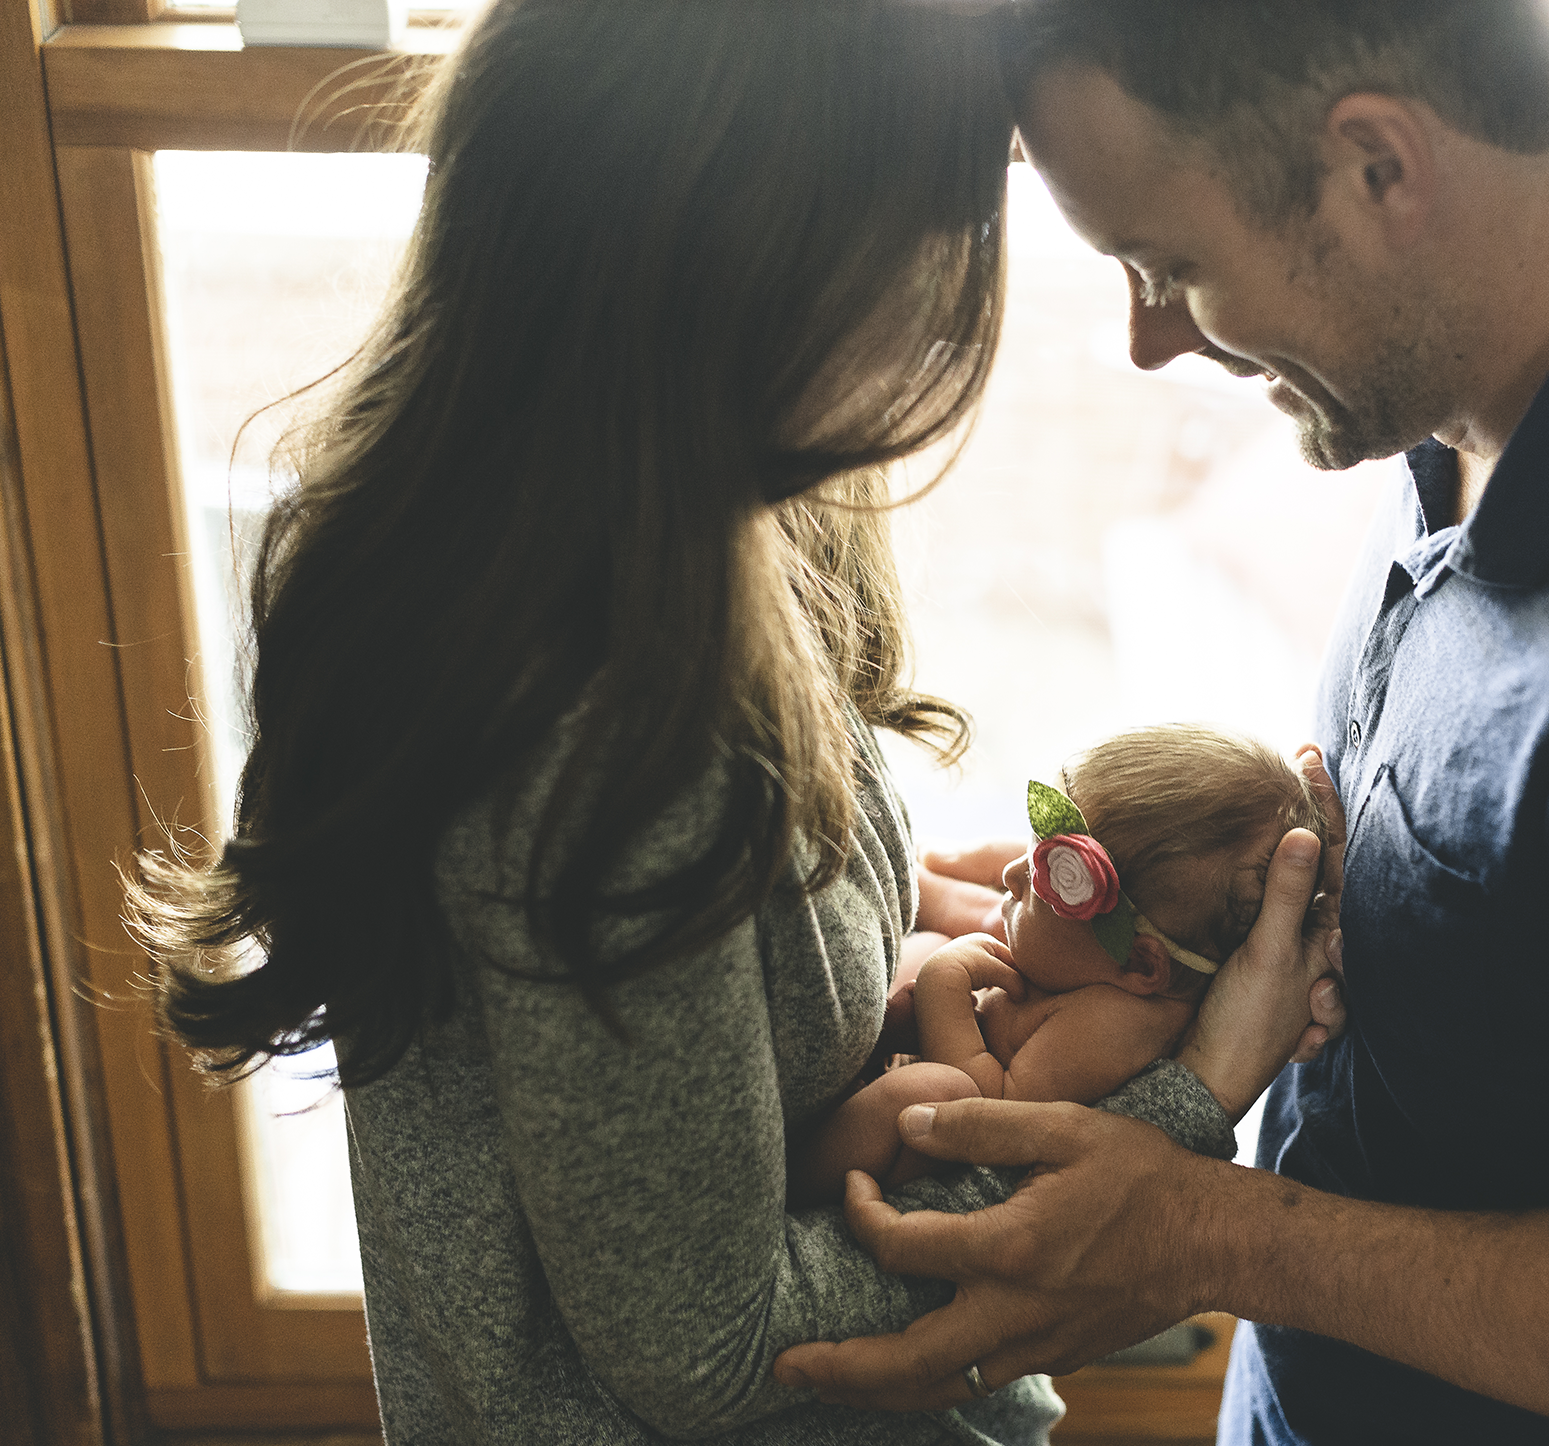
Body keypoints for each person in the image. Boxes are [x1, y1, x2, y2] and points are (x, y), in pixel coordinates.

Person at [776, 4, 1549, 1444]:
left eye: (1171, 266)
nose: (1144, 340)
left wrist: (1208, 1234)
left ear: (1378, 167)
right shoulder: (1466, 405)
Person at [122, 4, 1337, 1443]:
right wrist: (1195, 1095)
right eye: (947, 213)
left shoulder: (624, 532)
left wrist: (1003, 900)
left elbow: (714, 965)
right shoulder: (604, 721)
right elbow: (713, 1353)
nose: (964, 279)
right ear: (776, 254)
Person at [792, 726, 1334, 1204]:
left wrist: (942, 990)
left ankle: (795, 1176)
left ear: (1141, 965)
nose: (1009, 875)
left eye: (1044, 882)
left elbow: (987, 1115)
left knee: (930, 1089)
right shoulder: (1093, 970)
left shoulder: (1113, 1022)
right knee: (926, 942)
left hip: (935, 1156)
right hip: (929, 1073)